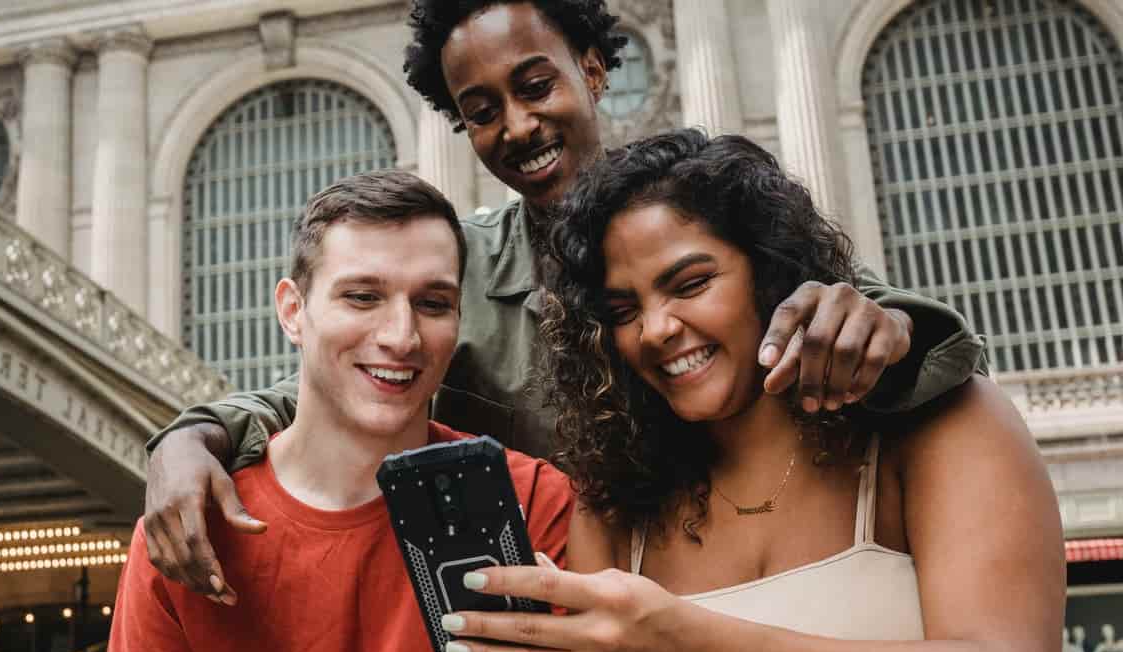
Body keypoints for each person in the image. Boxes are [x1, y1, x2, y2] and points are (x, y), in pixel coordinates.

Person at [144, 0, 987, 605]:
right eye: (480, 112)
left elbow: (895, 328)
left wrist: (883, 330)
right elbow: (333, 391)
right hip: (559, 611)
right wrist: (192, 436)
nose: (516, 125)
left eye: (534, 84)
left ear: (590, 67)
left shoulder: (714, 213)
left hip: (759, 584)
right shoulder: (456, 272)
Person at [436, 130, 1064, 652]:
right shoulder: (613, 507)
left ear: (770, 273)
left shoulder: (941, 428)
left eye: (691, 284)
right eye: (623, 311)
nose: (656, 329)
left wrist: (697, 647)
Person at [105, 171, 571, 652]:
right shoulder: (188, 533)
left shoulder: (533, 504)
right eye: (362, 297)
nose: (402, 337)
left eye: (433, 304)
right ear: (292, 311)